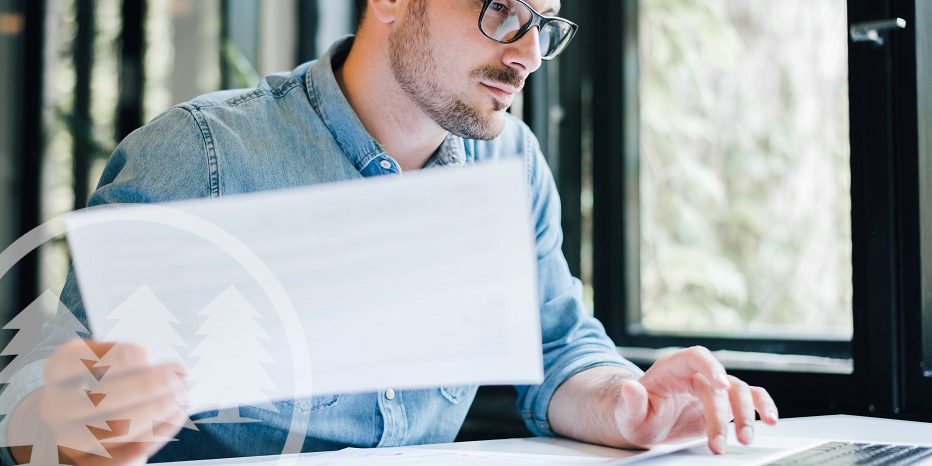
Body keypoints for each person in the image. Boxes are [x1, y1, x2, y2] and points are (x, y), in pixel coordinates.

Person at [1, 0, 778, 464]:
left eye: (545, 24)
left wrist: (629, 404)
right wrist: (65, 425)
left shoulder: (510, 161)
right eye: (502, 10)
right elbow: (41, 395)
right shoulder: (203, 155)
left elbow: (556, 347)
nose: (528, 54)